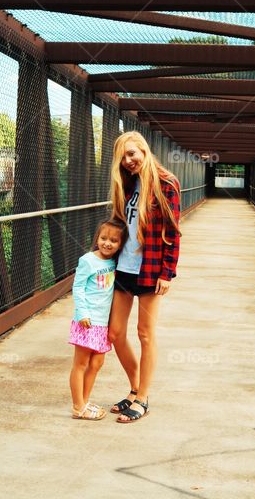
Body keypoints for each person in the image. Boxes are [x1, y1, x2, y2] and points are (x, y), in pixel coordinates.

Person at [107, 131, 181, 423]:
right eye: (123, 157)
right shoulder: (125, 183)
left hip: (150, 270)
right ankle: (135, 387)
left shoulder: (166, 183)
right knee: (114, 334)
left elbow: (173, 232)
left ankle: (143, 398)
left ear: (145, 151)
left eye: (132, 154)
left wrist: (168, 273)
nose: (128, 161)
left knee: (145, 334)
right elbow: (118, 225)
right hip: (123, 268)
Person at [69, 218, 126, 420]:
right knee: (81, 364)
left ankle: (84, 402)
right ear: (97, 238)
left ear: (120, 244)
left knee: (97, 363)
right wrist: (82, 313)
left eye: (113, 240)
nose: (107, 243)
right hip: (87, 321)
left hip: (102, 323)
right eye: (103, 238)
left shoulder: (113, 263)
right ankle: (78, 407)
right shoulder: (88, 260)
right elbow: (78, 287)